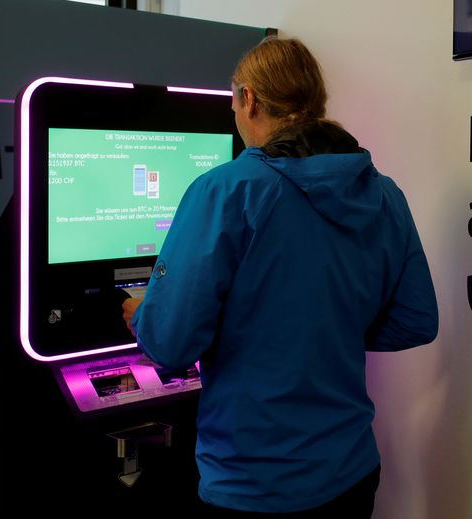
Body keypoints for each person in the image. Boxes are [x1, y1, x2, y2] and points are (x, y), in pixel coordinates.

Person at [122, 36, 438, 517]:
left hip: (254, 481)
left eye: (233, 100)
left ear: (248, 98)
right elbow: (416, 319)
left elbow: (169, 344)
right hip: (351, 472)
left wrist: (142, 313)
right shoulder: (384, 193)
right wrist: (329, 329)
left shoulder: (225, 191)